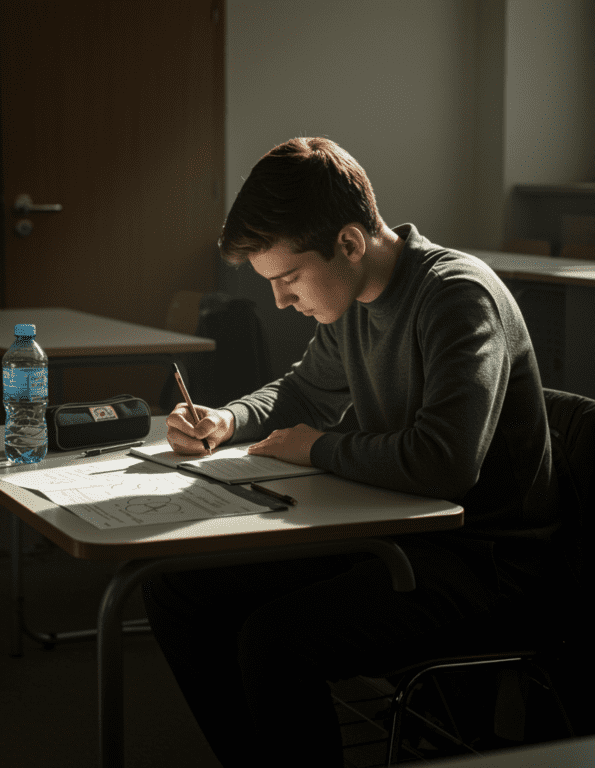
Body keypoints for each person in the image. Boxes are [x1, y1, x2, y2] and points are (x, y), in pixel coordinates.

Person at [142, 137, 561, 766]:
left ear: (348, 243)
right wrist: (229, 419)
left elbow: (444, 462)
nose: (281, 299)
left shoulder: (456, 297)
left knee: (273, 642)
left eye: (286, 278)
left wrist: (320, 449)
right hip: (394, 532)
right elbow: (302, 393)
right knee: (175, 590)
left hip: (479, 560)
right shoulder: (353, 301)